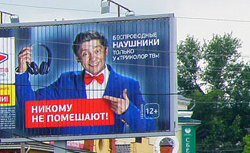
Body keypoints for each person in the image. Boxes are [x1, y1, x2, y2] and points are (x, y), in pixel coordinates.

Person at [16, 31, 155, 135]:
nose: (93, 58)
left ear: (106, 52)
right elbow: (30, 106)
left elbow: (150, 127)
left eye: (97, 51)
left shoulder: (129, 84)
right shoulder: (66, 81)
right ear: (78, 58)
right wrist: (22, 71)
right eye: (85, 54)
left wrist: (128, 110)